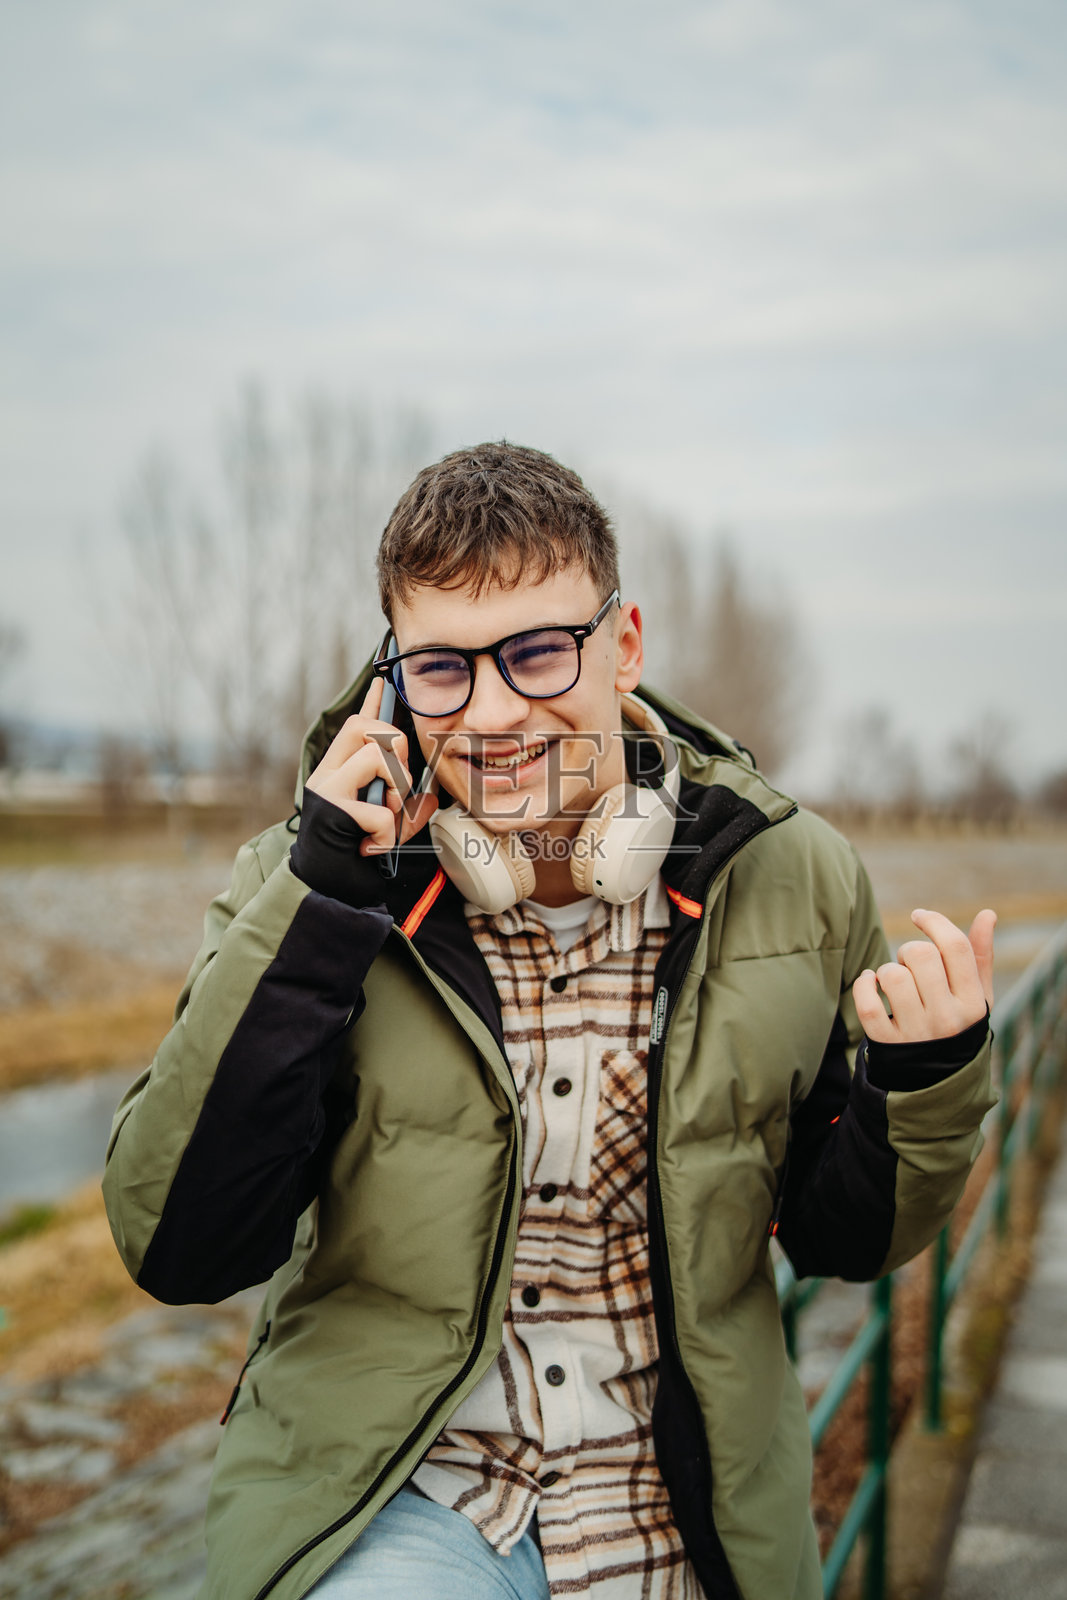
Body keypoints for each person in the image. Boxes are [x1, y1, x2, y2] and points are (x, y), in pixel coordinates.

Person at [103, 442, 996, 1600]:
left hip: (681, 1507)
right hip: (404, 1494)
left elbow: (843, 1239)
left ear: (622, 647)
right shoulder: (307, 885)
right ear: (391, 684)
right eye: (441, 669)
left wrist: (920, 1080)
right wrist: (323, 906)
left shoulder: (795, 875)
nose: (491, 713)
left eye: (536, 652)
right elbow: (181, 1244)